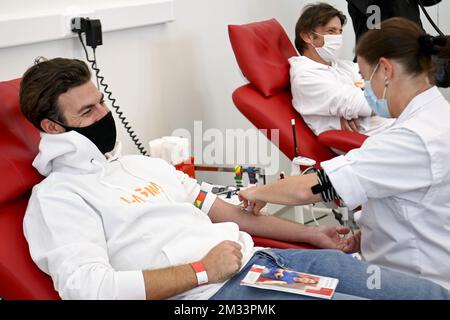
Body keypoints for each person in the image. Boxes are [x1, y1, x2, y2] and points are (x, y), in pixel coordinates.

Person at [20, 57, 449, 300]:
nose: (103, 116)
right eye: (87, 113)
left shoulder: (141, 165)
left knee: (420, 296)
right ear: (53, 128)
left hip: (267, 264)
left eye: (101, 103)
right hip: (215, 298)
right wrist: (201, 271)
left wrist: (311, 236)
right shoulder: (56, 198)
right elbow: (89, 290)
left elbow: (230, 214)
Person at [240, 18, 450, 294]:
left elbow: (314, 187)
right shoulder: (437, 116)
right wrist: (374, 235)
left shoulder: (410, 139)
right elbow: (421, 204)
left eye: (364, 77)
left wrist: (258, 192)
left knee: (269, 283)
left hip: (416, 284)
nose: (363, 88)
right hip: (423, 262)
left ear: (386, 70)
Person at [290, 3, 393, 137]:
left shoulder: (341, 66)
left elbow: (390, 77)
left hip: (394, 125)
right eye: (331, 31)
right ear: (308, 36)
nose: (338, 37)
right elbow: (369, 104)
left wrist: (357, 109)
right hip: (378, 139)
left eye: (340, 31)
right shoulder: (306, 78)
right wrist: (362, 102)